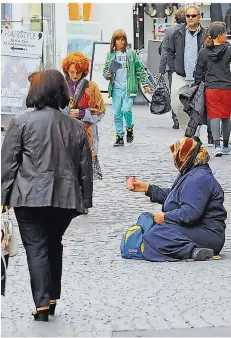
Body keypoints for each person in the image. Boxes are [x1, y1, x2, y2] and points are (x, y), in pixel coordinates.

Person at [1, 70, 93, 321]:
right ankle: (51, 300)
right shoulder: (75, 127)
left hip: (29, 196)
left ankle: (42, 305)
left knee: (37, 248)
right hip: (65, 199)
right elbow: (85, 167)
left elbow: (8, 164)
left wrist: (2, 199)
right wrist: (85, 200)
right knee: (53, 244)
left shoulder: (20, 122)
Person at [130, 137, 227, 262]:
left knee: (153, 235)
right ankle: (191, 249)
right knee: (151, 228)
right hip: (199, 230)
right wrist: (148, 189)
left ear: (185, 156)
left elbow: (190, 213)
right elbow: (174, 197)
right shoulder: (191, 171)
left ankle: (193, 251)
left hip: (208, 234)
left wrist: (165, 217)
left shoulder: (198, 179)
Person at [167, 5, 213, 145]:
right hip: (180, 74)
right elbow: (169, 51)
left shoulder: (206, 33)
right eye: (188, 16)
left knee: (197, 107)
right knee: (175, 103)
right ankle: (186, 129)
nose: (190, 18)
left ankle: (194, 135)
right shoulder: (177, 32)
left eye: (193, 16)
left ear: (199, 17)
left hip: (198, 77)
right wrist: (174, 68)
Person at [62, 52, 105, 180]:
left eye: (78, 72)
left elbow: (101, 111)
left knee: (85, 177)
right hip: (65, 134)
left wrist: (82, 113)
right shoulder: (61, 86)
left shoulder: (92, 87)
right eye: (72, 72)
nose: (75, 75)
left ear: (84, 71)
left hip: (86, 135)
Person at [103, 29, 150, 147]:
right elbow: (105, 72)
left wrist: (145, 85)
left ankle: (129, 128)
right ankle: (119, 136)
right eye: (118, 39)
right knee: (117, 113)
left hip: (129, 88)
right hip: (115, 89)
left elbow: (140, 69)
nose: (120, 42)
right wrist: (108, 75)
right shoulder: (111, 55)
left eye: (122, 39)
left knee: (126, 110)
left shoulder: (131, 54)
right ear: (114, 41)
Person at [194, 21, 231, 157]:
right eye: (224, 33)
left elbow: (198, 71)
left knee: (214, 116)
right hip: (226, 87)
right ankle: (226, 145)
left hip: (211, 88)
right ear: (219, 35)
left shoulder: (204, 51)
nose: (226, 36)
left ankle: (217, 146)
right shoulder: (228, 50)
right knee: (226, 117)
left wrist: (197, 84)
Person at [159, 7, 186, 130]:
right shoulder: (190, 30)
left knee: (174, 92)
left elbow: (164, 51)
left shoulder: (170, 31)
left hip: (172, 68)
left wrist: (161, 69)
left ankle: (176, 120)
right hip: (188, 68)